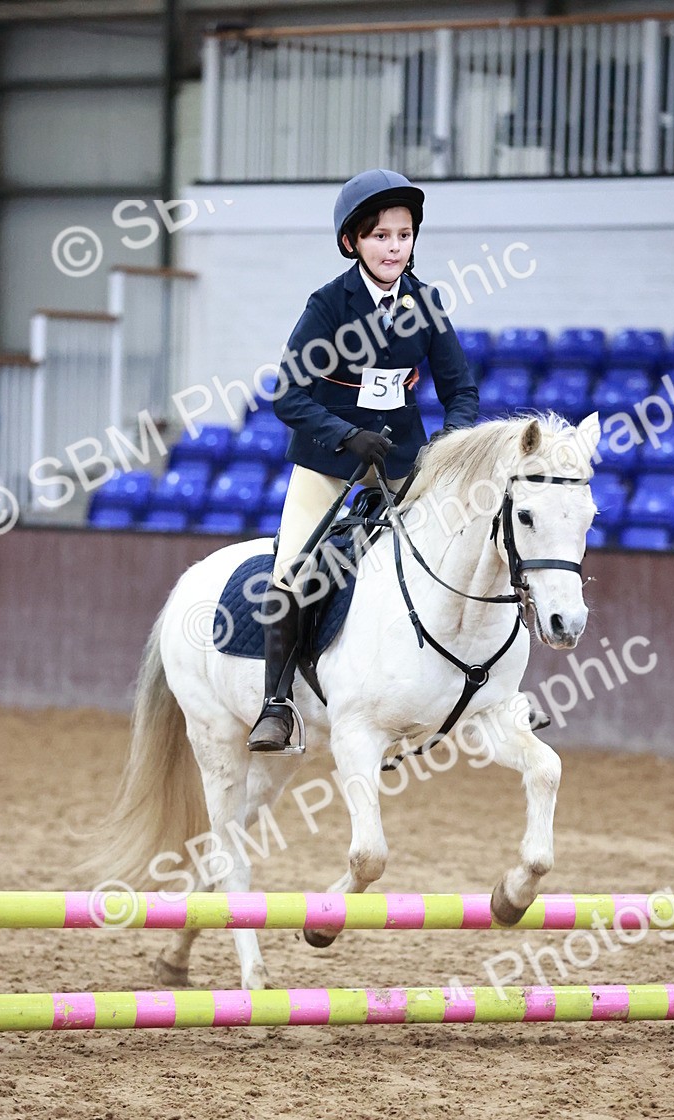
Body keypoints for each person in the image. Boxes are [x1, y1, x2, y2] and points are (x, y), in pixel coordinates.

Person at [247, 168, 480, 753]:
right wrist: (346, 435)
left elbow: (462, 392)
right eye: (381, 236)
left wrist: (446, 447)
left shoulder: (426, 302)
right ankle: (276, 705)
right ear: (352, 242)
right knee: (293, 568)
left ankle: (481, 688)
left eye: (403, 235)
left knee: (466, 546)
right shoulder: (327, 304)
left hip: (405, 456)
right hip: (331, 458)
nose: (394, 247)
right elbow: (288, 396)